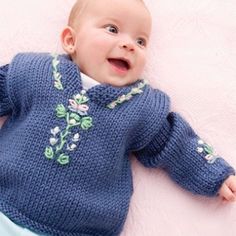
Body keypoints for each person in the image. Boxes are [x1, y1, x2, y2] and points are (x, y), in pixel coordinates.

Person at [0, 0, 235, 235]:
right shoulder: (34, 72)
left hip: (81, 229)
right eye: (112, 29)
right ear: (71, 41)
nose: (129, 45)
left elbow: (175, 144)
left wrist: (215, 176)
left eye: (140, 41)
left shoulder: (139, 105)